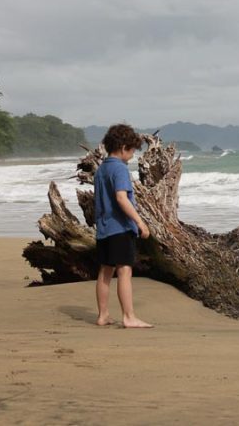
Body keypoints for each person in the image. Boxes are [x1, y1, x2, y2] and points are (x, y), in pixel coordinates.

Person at [94, 124, 153, 328]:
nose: (133, 155)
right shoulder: (119, 168)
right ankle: (129, 317)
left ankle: (103, 315)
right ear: (123, 147)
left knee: (105, 271)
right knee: (124, 270)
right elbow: (121, 197)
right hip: (119, 227)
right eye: (132, 150)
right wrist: (140, 222)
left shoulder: (102, 169)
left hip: (103, 227)